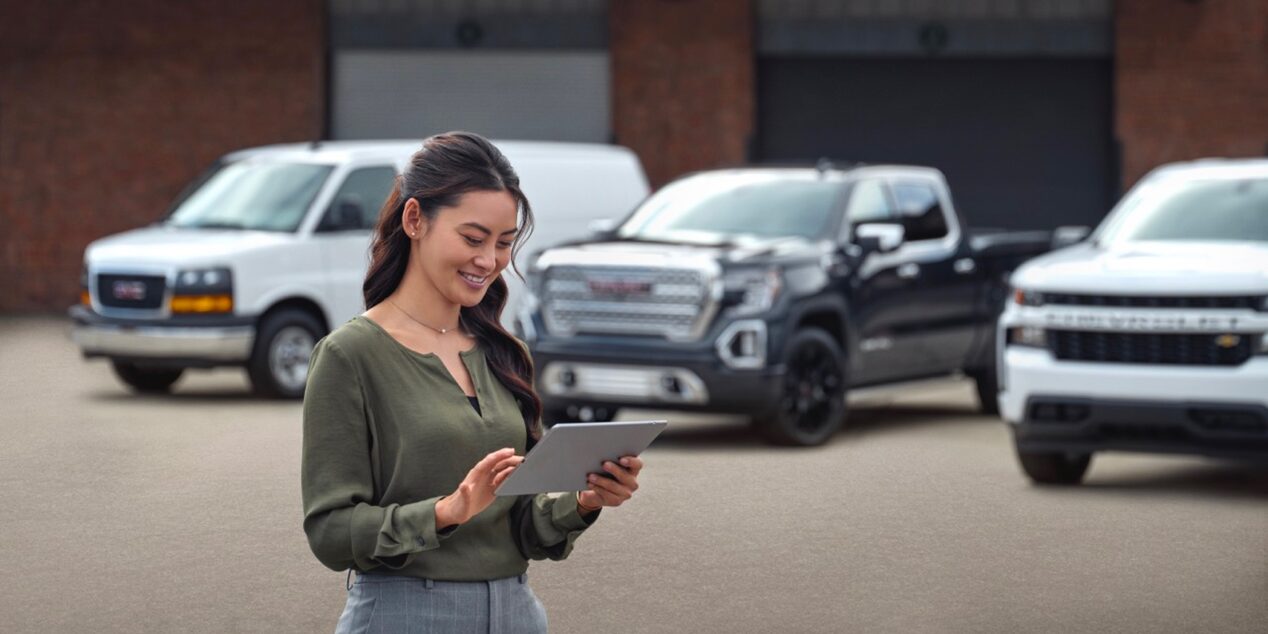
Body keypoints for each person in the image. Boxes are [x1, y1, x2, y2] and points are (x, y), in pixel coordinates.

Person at [301, 131, 644, 633]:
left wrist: (584, 500)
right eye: (473, 238)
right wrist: (447, 511)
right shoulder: (349, 356)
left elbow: (523, 525)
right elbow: (330, 532)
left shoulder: (506, 354)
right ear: (414, 219)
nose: (490, 260)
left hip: (518, 612)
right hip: (404, 615)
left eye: (504, 243)